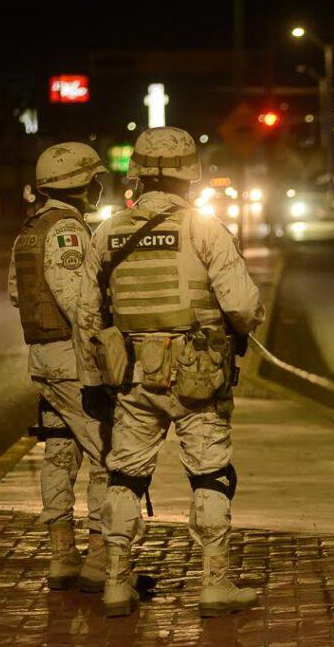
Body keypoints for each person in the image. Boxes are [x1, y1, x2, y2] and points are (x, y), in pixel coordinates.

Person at [74, 126, 264, 618]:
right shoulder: (205, 229)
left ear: (136, 173)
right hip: (198, 376)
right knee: (211, 475)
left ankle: (116, 584)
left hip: (131, 379)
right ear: (191, 178)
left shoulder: (108, 231)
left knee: (126, 475)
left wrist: (94, 383)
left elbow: (87, 317)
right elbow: (242, 307)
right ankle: (215, 585)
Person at [8, 143, 114, 592]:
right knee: (108, 457)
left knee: (59, 453)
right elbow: (78, 305)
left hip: (42, 360)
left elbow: (17, 293)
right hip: (72, 362)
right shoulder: (68, 231)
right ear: (81, 183)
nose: (98, 185)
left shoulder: (30, 229)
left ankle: (61, 557)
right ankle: (98, 560)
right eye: (95, 179)